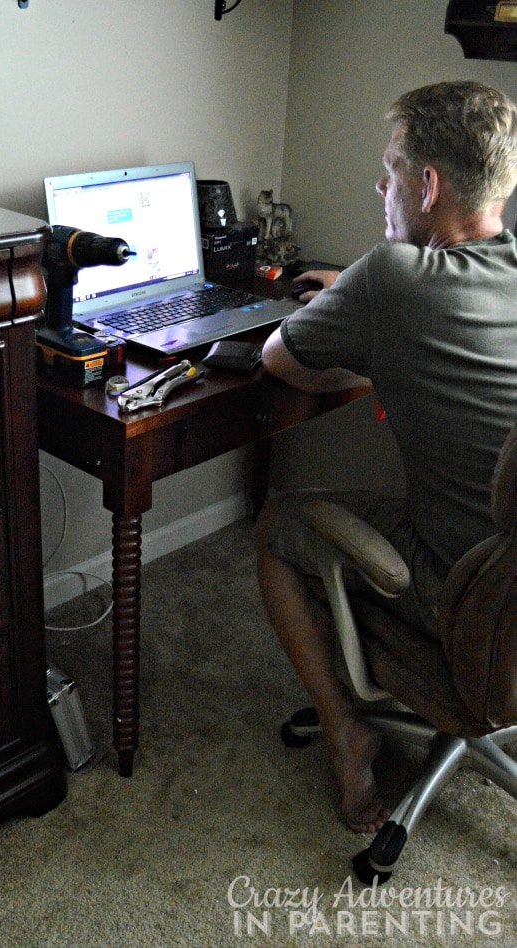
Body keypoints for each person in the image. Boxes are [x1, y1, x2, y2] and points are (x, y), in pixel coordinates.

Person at [255, 81, 517, 834]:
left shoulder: (397, 276)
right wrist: (368, 313)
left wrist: (361, 308)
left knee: (278, 526)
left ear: (427, 185)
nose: (381, 185)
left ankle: (348, 733)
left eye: (390, 167)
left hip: (472, 603)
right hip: (511, 580)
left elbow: (281, 361)